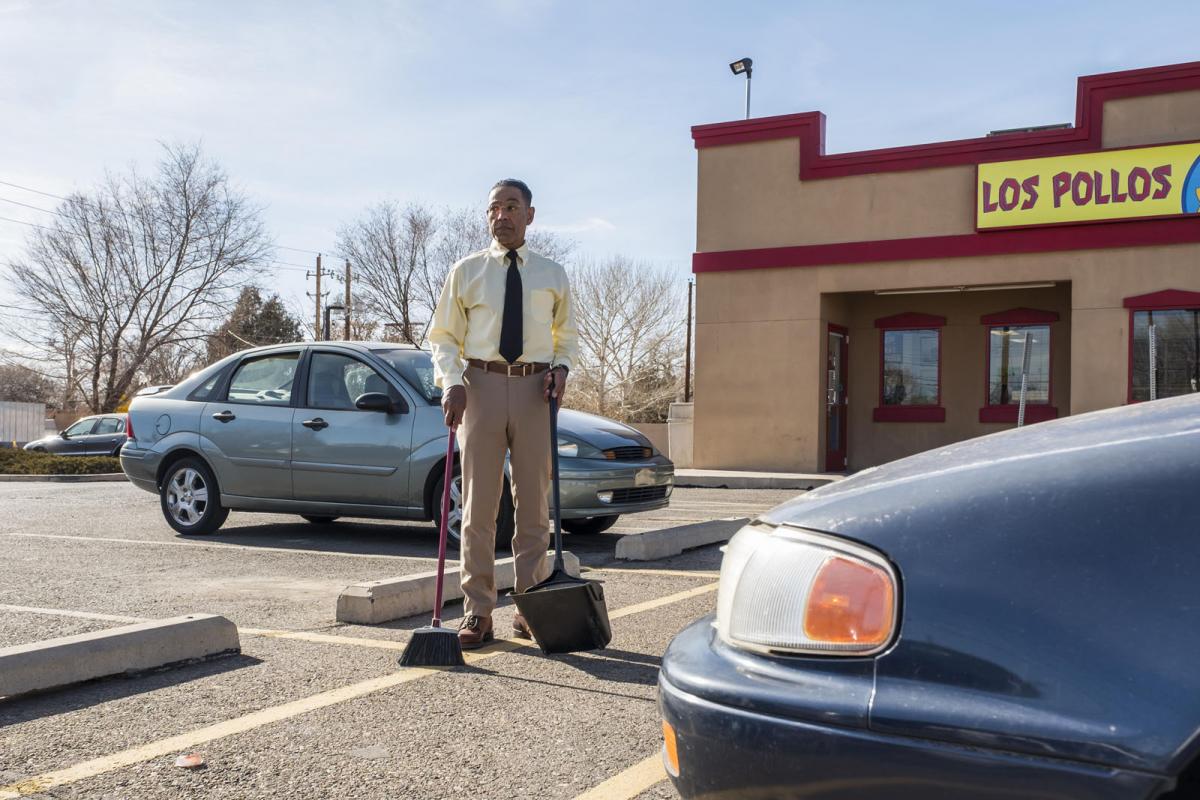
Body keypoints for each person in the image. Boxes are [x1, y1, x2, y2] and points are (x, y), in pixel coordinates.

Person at [427, 178, 578, 649]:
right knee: (478, 507)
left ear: (529, 215)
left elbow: (566, 336)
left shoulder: (552, 274)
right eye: (494, 208)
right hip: (480, 387)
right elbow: (444, 337)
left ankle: (531, 605)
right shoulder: (466, 271)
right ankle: (477, 612)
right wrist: (451, 382)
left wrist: (562, 369)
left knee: (533, 504)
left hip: (536, 389)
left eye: (512, 207)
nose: (502, 216)